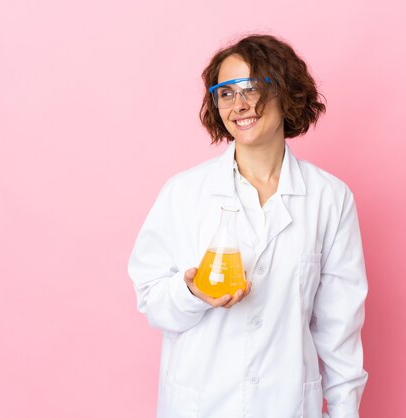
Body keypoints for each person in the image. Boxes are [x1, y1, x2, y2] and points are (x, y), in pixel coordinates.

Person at [128, 34, 368, 418]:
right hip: (201, 404)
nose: (239, 104)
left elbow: (340, 330)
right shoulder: (184, 193)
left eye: (253, 88)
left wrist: (343, 412)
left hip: (287, 405)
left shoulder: (330, 198)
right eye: (226, 92)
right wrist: (190, 292)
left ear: (287, 94)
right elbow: (152, 301)